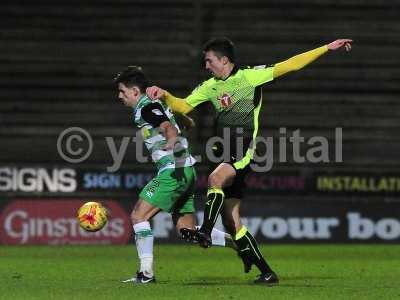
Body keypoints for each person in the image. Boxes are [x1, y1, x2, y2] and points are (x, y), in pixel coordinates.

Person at [146, 38, 353, 284]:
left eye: (209, 60)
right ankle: (267, 272)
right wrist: (165, 94)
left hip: (242, 149)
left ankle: (205, 231)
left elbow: (290, 65)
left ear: (224, 60)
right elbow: (184, 106)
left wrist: (325, 48)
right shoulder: (209, 86)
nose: (207, 66)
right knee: (232, 222)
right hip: (220, 151)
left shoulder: (250, 77)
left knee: (215, 179)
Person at [114, 66, 233, 284]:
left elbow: (168, 127)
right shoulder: (155, 104)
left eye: (122, 91)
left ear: (134, 91)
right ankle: (235, 242)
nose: (119, 96)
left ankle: (146, 274)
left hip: (172, 171)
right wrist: (183, 123)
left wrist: (171, 137)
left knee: (138, 216)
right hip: (186, 171)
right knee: (186, 230)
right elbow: (185, 121)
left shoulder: (145, 108)